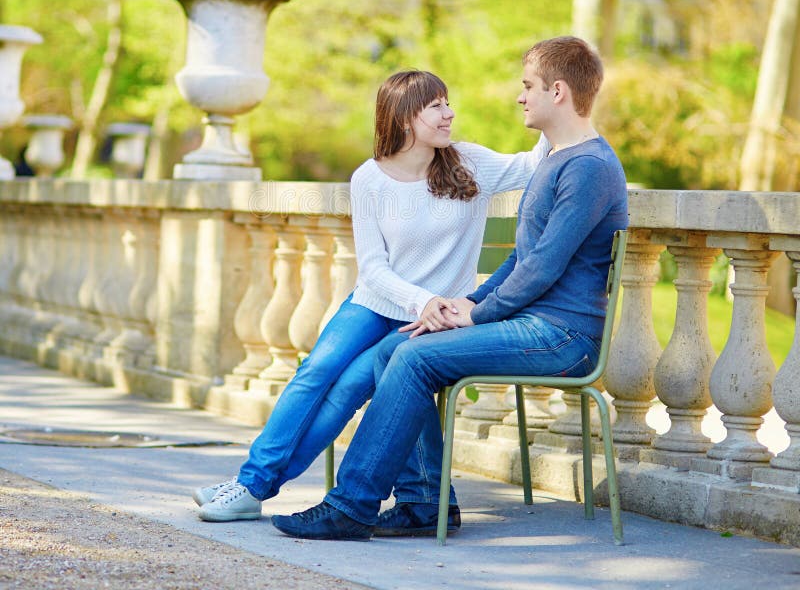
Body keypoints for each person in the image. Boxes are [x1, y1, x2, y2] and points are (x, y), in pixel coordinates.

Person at [270, 35, 628, 541]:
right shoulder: (558, 159)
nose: (520, 96)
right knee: (393, 349)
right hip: (533, 323)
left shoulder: (587, 167)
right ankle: (423, 502)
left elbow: (543, 269)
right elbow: (522, 260)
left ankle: (351, 505)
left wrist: (476, 315)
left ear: (559, 92)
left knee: (413, 357)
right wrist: (470, 302)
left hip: (563, 336)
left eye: (528, 86)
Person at [194, 69, 550, 522]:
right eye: (436, 106)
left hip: (430, 320)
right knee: (314, 371)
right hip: (375, 304)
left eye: (447, 102)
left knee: (347, 389)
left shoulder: (468, 163)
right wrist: (419, 297)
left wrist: (550, 103)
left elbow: (533, 163)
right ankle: (249, 483)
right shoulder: (370, 180)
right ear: (404, 119)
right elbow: (374, 269)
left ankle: (253, 489)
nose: (450, 113)